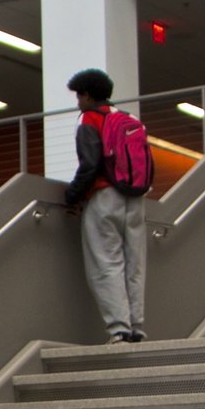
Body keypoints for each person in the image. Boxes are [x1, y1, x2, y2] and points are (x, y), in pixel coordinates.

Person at [62, 68, 149, 344]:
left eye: (79, 96)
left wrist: (72, 195)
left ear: (87, 95)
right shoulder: (128, 118)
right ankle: (136, 325)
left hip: (104, 196)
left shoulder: (90, 118)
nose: (78, 102)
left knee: (106, 262)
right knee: (134, 263)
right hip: (135, 198)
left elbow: (90, 164)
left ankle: (119, 327)